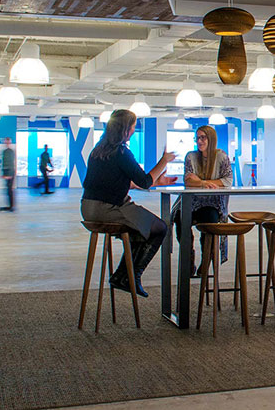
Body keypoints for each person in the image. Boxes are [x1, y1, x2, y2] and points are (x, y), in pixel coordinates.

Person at [81, 110, 176, 297]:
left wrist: (159, 182)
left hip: (87, 208)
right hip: (109, 208)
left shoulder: (98, 150)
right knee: (159, 228)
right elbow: (145, 181)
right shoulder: (122, 152)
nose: (134, 129)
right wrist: (163, 161)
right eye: (133, 125)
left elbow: (123, 182)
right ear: (126, 129)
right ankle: (132, 276)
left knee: (140, 228)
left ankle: (123, 276)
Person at [171, 125, 232, 275]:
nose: (199, 141)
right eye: (197, 138)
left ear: (211, 139)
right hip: (191, 202)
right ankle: (188, 258)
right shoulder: (190, 156)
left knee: (210, 220)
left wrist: (199, 180)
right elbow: (188, 181)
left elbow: (228, 181)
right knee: (179, 218)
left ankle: (206, 262)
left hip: (212, 203)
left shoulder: (221, 156)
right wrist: (205, 183)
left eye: (203, 137)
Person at [0, 138, 15, 212]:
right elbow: (4, 164)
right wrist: (3, 174)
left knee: (9, 190)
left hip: (10, 172)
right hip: (7, 172)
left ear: (10, 142)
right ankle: (10, 206)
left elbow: (11, 163)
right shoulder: (4, 152)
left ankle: (11, 206)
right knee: (8, 190)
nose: (6, 143)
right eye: (5, 142)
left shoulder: (11, 152)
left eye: (8, 142)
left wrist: (9, 175)